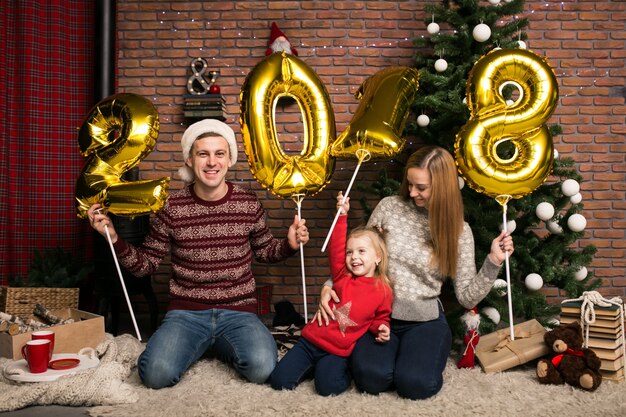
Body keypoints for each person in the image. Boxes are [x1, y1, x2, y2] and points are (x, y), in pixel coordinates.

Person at [87, 119, 310, 389]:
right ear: (190, 160)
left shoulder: (248, 203)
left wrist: (289, 245)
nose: (212, 162)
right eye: (203, 154)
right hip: (186, 314)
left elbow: (265, 251)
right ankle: (197, 344)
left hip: (238, 312)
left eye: (219, 154)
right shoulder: (170, 207)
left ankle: (212, 345)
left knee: (263, 368)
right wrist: (113, 238)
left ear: (229, 160)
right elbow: (145, 266)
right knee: (156, 375)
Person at [315, 145, 514, 400]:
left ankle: (414, 358)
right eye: (410, 184)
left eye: (421, 187)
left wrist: (493, 261)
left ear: (442, 188)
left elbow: (466, 297)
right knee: (371, 379)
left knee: (415, 385)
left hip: (425, 321)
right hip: (376, 316)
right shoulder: (389, 208)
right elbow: (360, 255)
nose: (412, 192)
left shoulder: (459, 231)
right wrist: (330, 285)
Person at [270, 192, 393, 396]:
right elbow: (335, 248)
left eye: (362, 251)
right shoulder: (342, 276)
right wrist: (341, 215)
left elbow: (380, 317)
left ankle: (342, 373)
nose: (354, 257)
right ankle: (310, 368)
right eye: (350, 252)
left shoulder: (383, 290)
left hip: (337, 352)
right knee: (279, 381)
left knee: (327, 388)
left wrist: (382, 327)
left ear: (378, 257)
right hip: (310, 342)